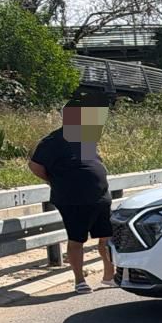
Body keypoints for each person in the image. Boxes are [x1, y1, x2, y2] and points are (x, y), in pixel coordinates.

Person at [28, 97, 113, 293]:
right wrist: (55, 180)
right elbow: (35, 166)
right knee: (77, 239)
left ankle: (110, 276)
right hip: (73, 199)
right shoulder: (52, 141)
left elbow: (91, 161)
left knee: (106, 238)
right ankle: (80, 280)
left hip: (99, 196)